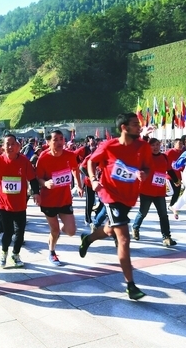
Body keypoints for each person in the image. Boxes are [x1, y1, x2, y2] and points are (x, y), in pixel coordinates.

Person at [79, 112, 152, 300]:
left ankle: (88, 239)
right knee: (124, 239)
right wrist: (94, 180)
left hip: (129, 196)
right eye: (135, 124)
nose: (139, 127)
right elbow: (91, 163)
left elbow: (147, 167)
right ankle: (130, 285)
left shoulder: (143, 146)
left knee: (110, 230)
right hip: (110, 195)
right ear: (124, 128)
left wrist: (143, 174)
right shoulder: (108, 146)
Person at [0, 134, 40, 268]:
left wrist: (36, 193)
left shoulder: (24, 161)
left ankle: (15, 254)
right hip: (4, 205)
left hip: (20, 205)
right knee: (7, 233)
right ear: (2, 147)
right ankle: (4, 252)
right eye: (7, 144)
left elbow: (32, 178)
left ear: (18, 146)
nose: (10, 146)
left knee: (20, 233)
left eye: (13, 143)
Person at [35, 129, 83, 266]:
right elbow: (38, 177)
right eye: (55, 139)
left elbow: (75, 169)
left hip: (64, 199)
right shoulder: (43, 158)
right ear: (48, 142)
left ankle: (54, 235)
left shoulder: (69, 155)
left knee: (71, 231)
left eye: (61, 139)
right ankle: (51, 252)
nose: (59, 142)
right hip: (49, 200)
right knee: (54, 229)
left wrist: (79, 185)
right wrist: (46, 183)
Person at [131, 138, 179, 246]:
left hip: (160, 192)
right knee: (143, 212)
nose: (156, 147)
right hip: (146, 191)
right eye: (153, 145)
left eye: (157, 144)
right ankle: (135, 227)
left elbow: (170, 170)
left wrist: (176, 180)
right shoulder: (145, 157)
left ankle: (166, 237)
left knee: (163, 215)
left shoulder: (164, 157)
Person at [165, 138, 185, 208]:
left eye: (182, 144)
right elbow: (163, 160)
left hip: (178, 177)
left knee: (177, 193)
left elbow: (183, 165)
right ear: (174, 144)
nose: (180, 145)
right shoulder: (169, 152)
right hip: (170, 176)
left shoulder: (182, 153)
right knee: (171, 191)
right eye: (179, 144)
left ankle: (171, 206)